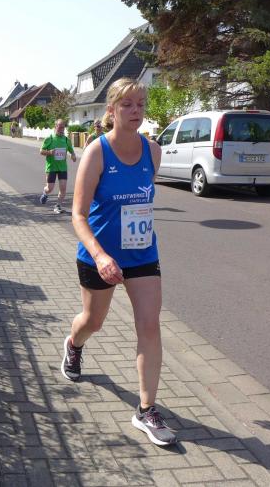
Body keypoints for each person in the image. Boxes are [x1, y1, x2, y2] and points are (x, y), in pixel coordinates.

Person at [62, 78, 176, 446]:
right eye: (127, 104)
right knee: (93, 321)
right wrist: (100, 256)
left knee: (150, 325)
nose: (135, 111)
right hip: (99, 255)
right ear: (111, 110)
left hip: (142, 254)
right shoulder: (97, 152)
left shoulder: (153, 151)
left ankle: (146, 409)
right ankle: (74, 345)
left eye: (140, 104)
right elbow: (78, 215)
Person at [39, 119, 77, 213]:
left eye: (63, 127)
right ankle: (45, 193)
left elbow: (72, 151)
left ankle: (58, 206)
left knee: (63, 188)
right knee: (50, 188)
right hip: (51, 167)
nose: (61, 129)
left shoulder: (66, 140)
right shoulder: (50, 138)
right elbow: (41, 151)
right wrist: (49, 152)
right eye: (59, 127)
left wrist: (73, 156)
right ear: (55, 127)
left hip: (62, 168)